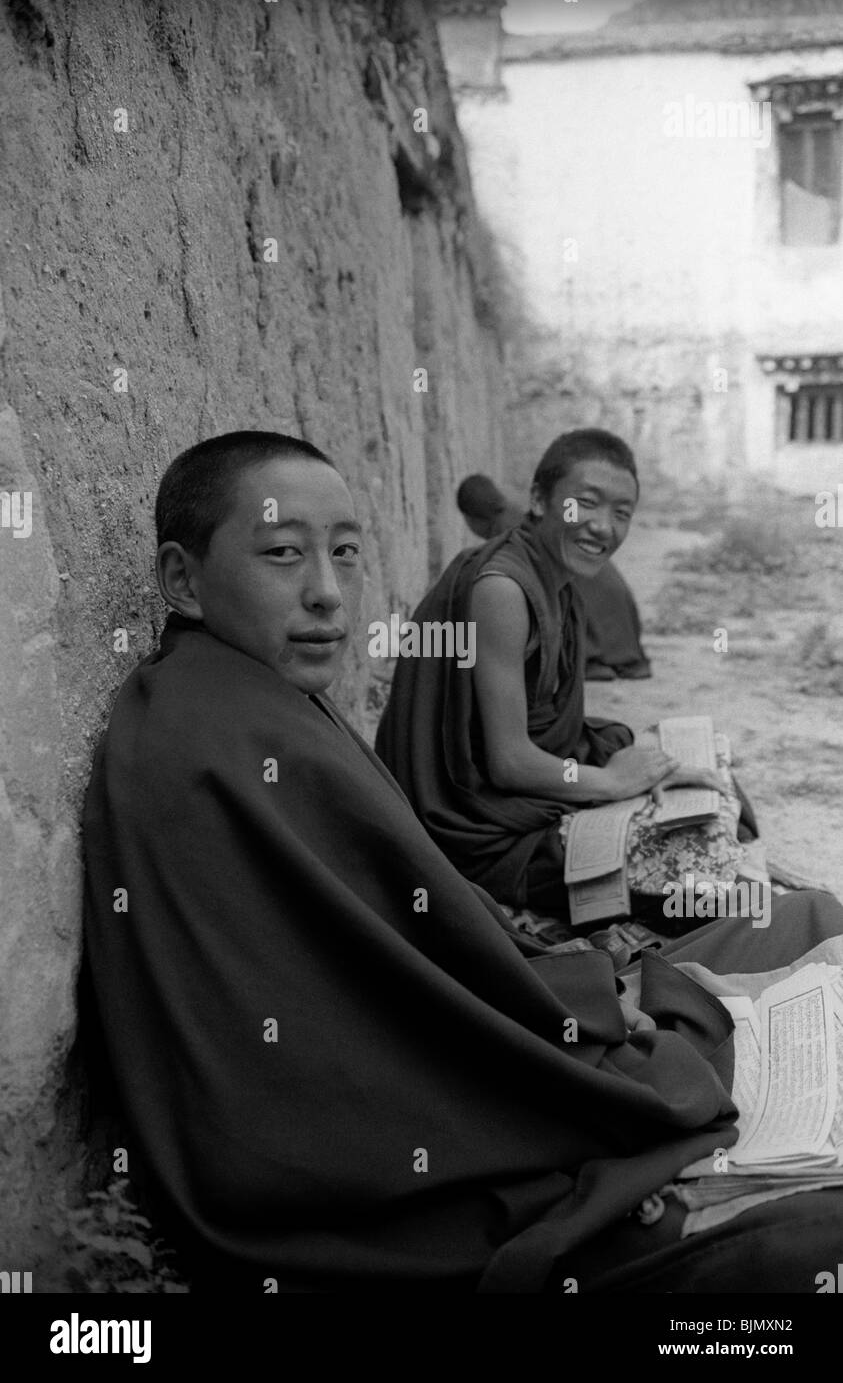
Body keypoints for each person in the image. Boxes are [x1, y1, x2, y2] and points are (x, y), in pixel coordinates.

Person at [83, 429, 843, 1294]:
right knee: (797, 1203)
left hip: (514, 924)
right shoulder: (223, 739)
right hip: (499, 856)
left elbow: (393, 944)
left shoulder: (251, 695)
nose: (328, 594)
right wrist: (591, 1004)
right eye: (284, 555)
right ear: (182, 580)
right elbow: (364, 1021)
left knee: (800, 913)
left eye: (345, 553)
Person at [379, 430, 755, 922]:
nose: (603, 527)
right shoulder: (502, 590)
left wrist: (636, 772)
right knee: (703, 887)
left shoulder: (559, 576)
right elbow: (509, 763)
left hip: (525, 781)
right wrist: (612, 783)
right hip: (474, 827)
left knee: (707, 786)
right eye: (585, 505)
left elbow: (551, 723)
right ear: (538, 499)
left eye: (621, 513)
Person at [456, 470, 651, 681]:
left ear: (474, 518)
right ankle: (609, 658)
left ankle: (588, 658)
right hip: (611, 594)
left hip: (588, 595)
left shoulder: (508, 533)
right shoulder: (520, 508)